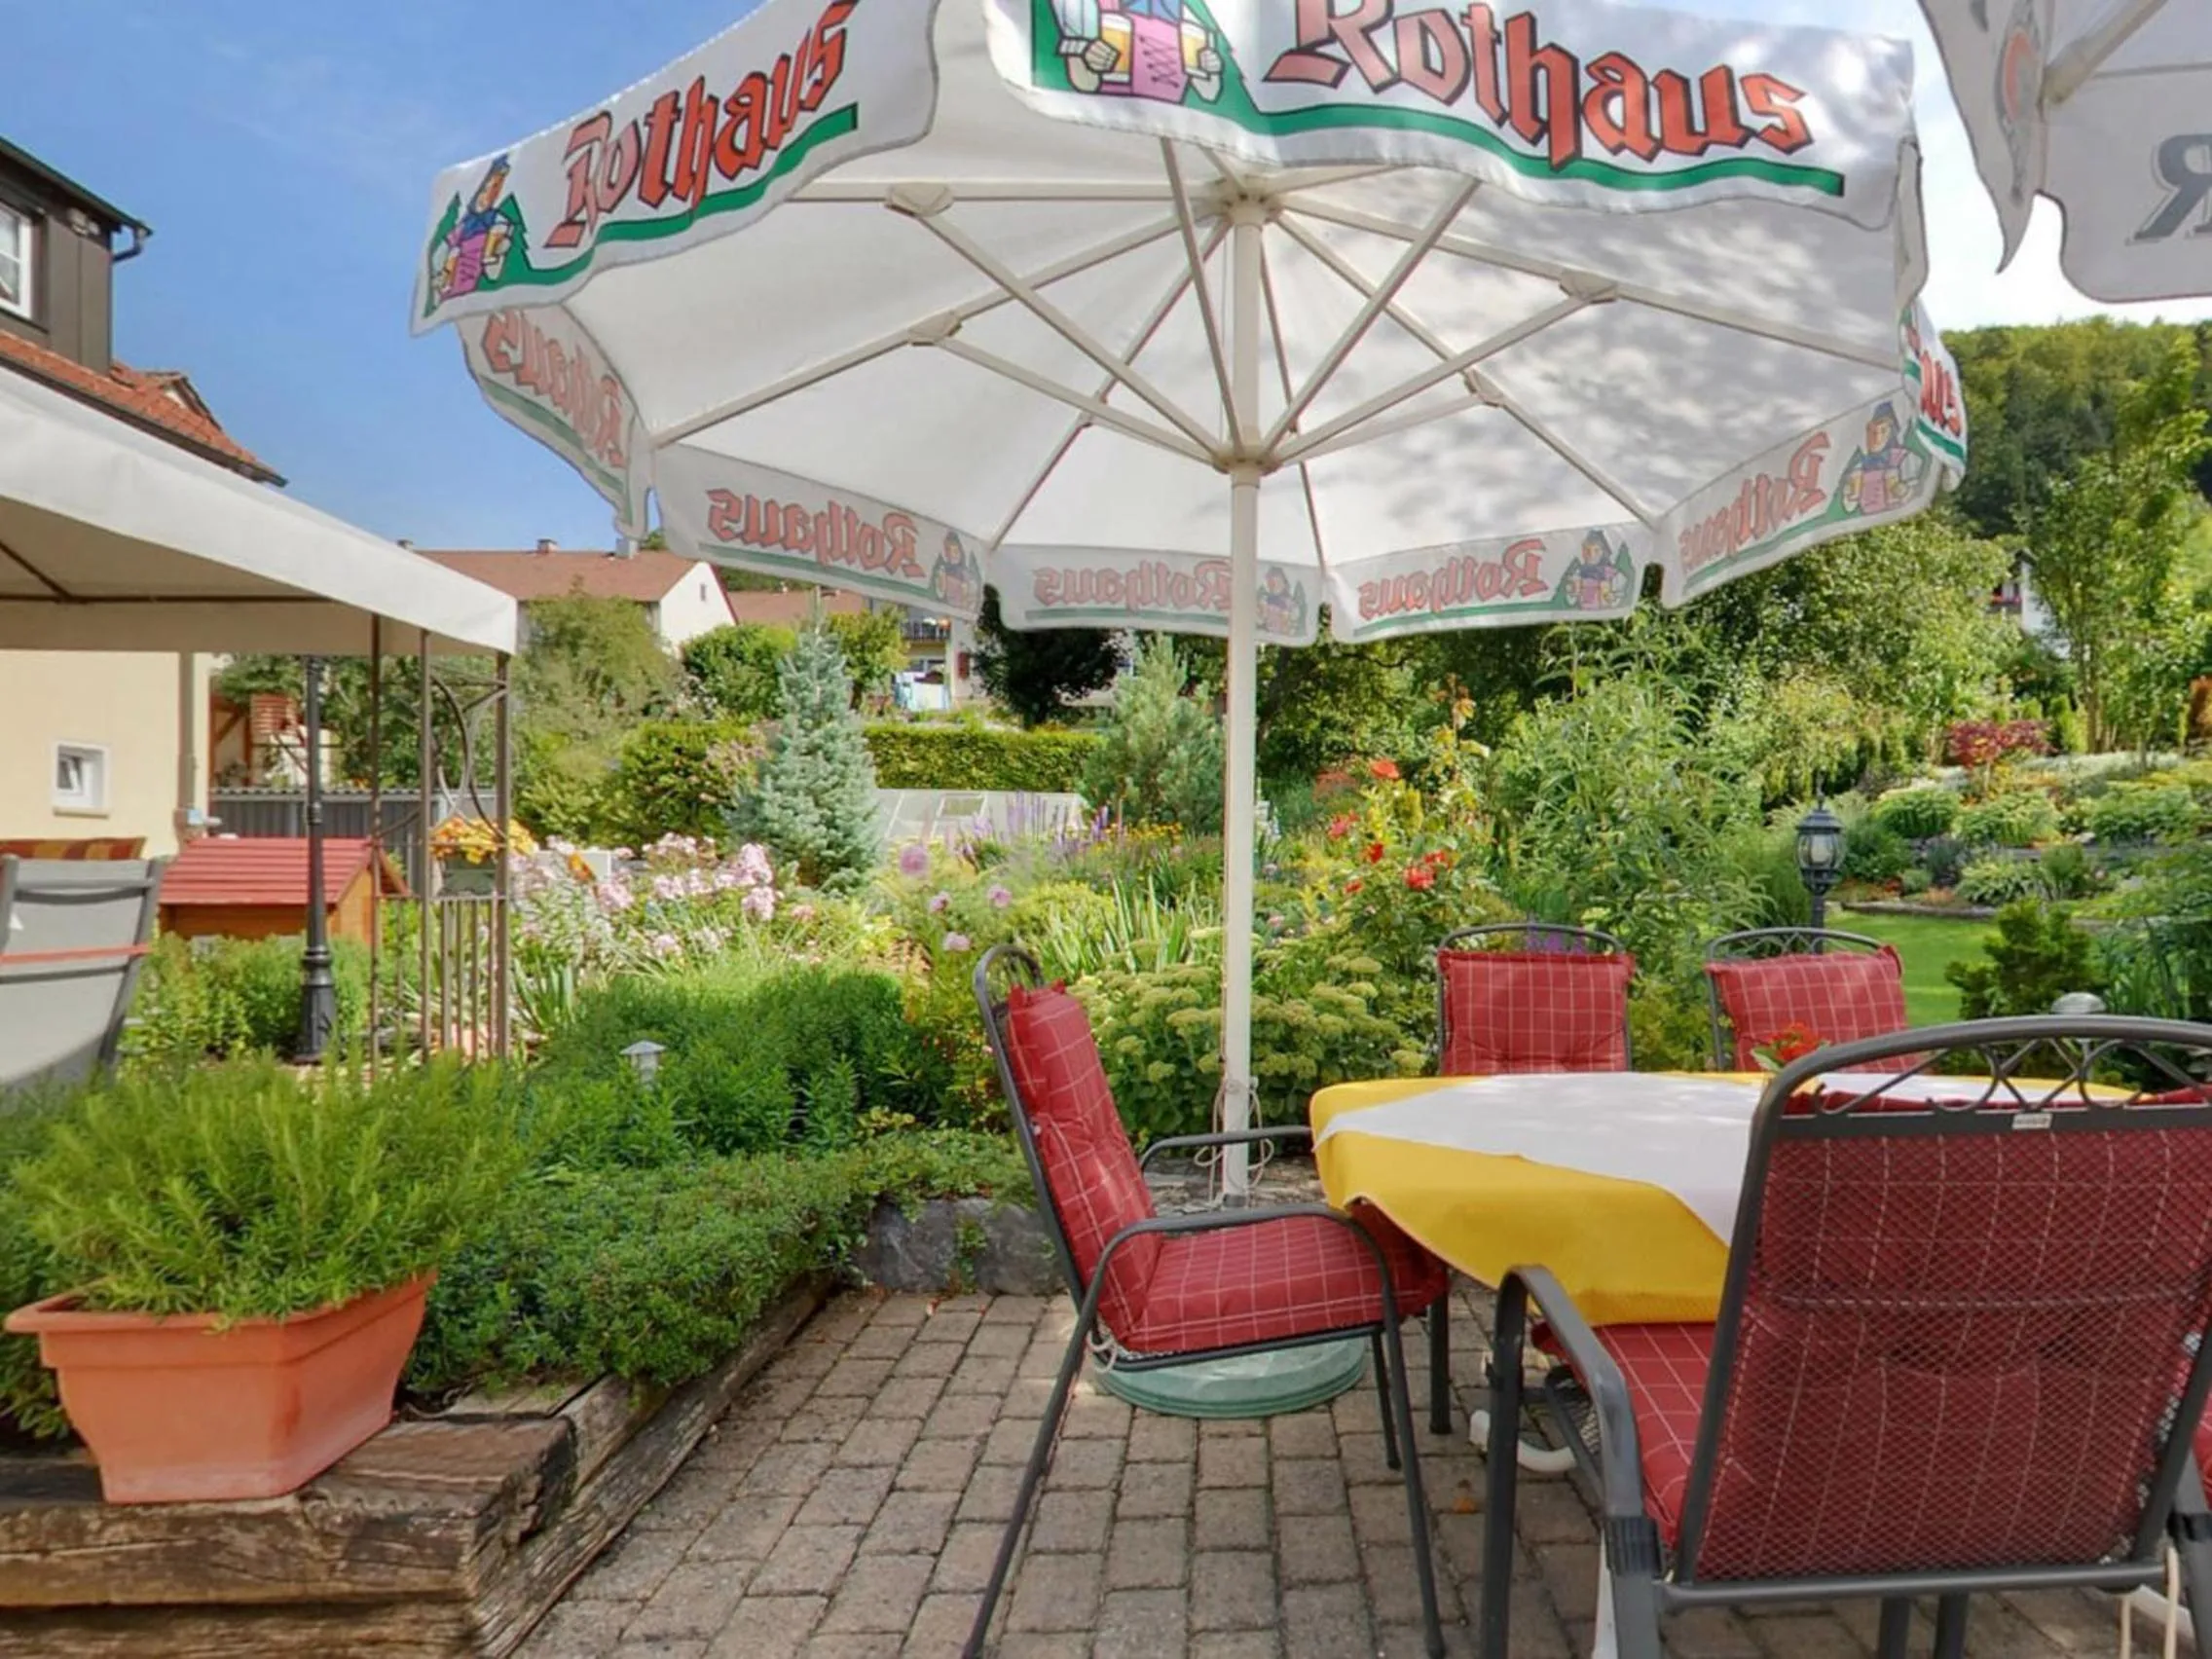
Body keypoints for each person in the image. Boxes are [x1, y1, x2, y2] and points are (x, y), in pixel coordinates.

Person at [1052, 0, 1224, 104]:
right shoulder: (1085, 6)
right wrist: (1087, 56)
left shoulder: (1185, 15)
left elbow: (1208, 92)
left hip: (1169, 122)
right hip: (1113, 118)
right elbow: (1084, 84)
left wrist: (1212, 68)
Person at [434, 156, 515, 305]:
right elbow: (443, 249)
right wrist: (441, 271)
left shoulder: (497, 221)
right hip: (455, 275)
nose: (488, 196)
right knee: (455, 254)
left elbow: (493, 272)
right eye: (485, 190)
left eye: (494, 190)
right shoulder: (466, 225)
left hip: (474, 275)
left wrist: (500, 249)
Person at [1838, 402, 1923, 517]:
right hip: (1868, 525)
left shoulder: (1906, 458)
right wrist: (1850, 493)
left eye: (1883, 431)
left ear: (1892, 432)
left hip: (1898, 521)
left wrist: (1904, 492)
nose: (1877, 437)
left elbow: (1919, 497)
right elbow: (1849, 508)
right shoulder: (1859, 466)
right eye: (1872, 432)